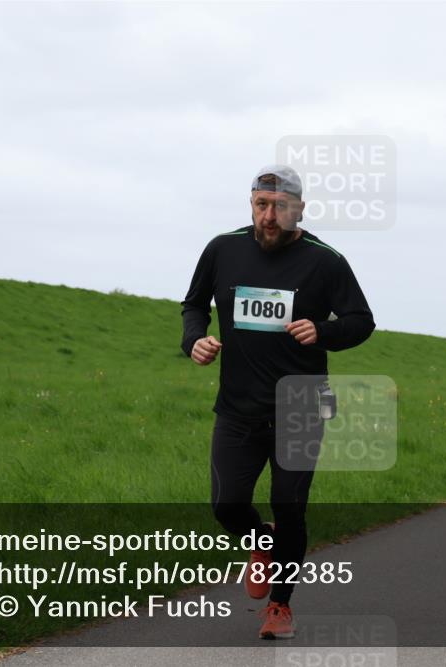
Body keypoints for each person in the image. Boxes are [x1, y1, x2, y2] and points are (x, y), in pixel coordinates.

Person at [181, 165, 375, 639]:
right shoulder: (223, 249)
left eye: (280, 207)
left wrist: (323, 330)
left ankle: (280, 606)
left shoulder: (325, 261)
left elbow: (361, 320)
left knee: (290, 507)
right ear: (251, 204)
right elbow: (194, 304)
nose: (269, 216)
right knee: (227, 506)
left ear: (300, 209)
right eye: (261, 205)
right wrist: (194, 341)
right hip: (237, 408)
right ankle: (261, 543)